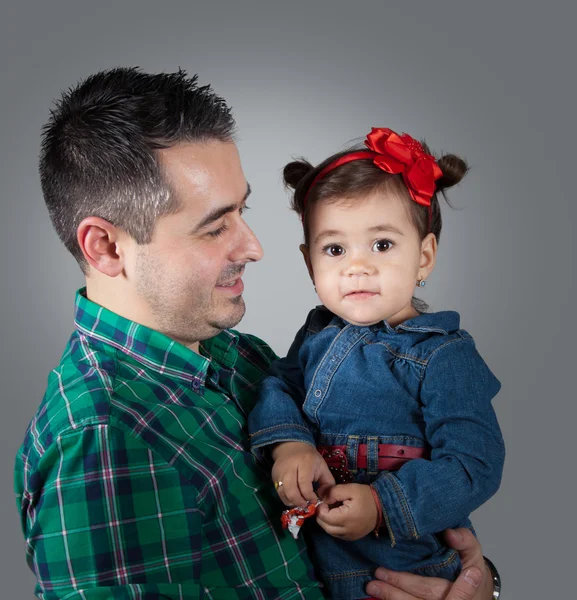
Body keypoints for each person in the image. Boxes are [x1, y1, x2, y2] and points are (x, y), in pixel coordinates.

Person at [14, 67, 498, 599]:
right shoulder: (104, 438)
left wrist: (474, 583)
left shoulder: (239, 357)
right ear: (106, 248)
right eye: (216, 225)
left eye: (243, 210)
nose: (254, 247)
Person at [249, 128, 505, 599]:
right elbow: (277, 388)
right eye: (335, 249)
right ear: (310, 265)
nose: (357, 267)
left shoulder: (443, 355)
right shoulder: (316, 335)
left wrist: (385, 504)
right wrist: (289, 445)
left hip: (407, 566)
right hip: (313, 566)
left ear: (424, 256)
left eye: (382, 245)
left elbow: (474, 464)